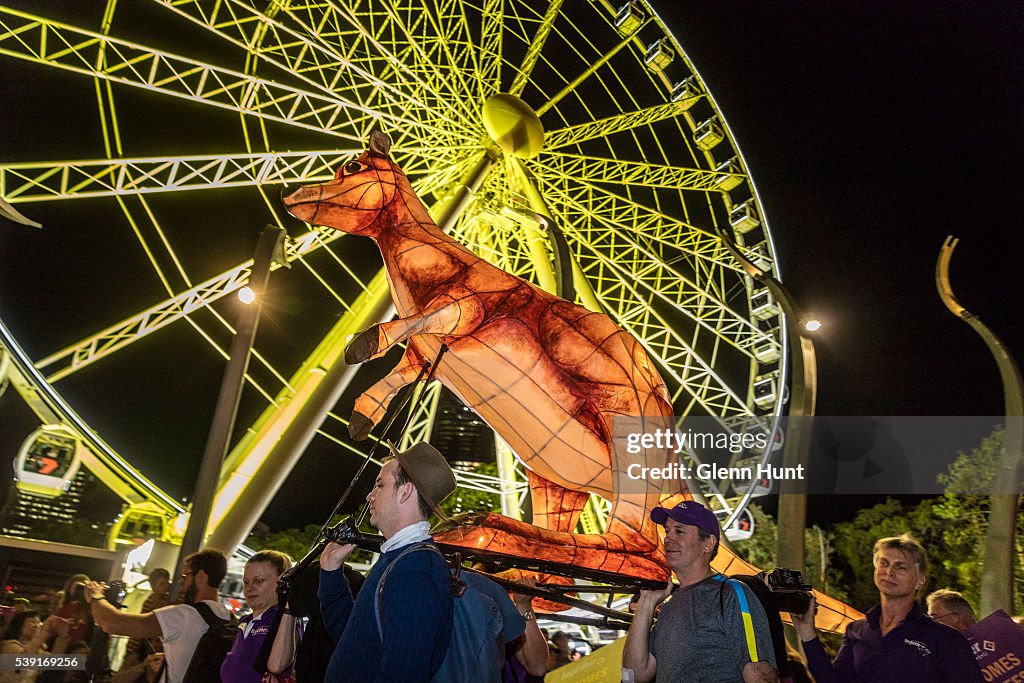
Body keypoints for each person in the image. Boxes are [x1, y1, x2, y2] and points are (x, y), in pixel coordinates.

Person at [319, 442, 456, 681]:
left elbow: (403, 674)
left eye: (380, 485)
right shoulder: (398, 558)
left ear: (405, 492)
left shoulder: (417, 570)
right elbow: (355, 642)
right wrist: (331, 573)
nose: (370, 495)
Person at [792, 534, 983, 682]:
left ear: (920, 581)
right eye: (884, 563)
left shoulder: (944, 639)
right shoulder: (856, 631)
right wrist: (807, 633)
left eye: (900, 567)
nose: (889, 572)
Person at [623, 500, 778, 683]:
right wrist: (646, 606)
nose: (668, 538)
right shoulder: (668, 607)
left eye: (679, 531)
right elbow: (633, 676)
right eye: (667, 531)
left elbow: (760, 674)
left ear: (708, 543)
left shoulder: (731, 593)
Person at [84, 549, 231, 683]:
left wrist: (95, 596)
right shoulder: (227, 618)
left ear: (200, 576)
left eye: (185, 576)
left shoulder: (185, 615)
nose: (181, 584)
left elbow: (111, 623)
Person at [221, 550, 293, 683]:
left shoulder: (284, 621)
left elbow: (277, 666)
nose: (249, 588)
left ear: (282, 582)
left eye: (258, 581)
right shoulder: (245, 622)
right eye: (246, 582)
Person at [1, 610, 68, 683]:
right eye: (32, 622)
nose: (36, 626)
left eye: (38, 622)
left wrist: (62, 635)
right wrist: (45, 631)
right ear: (19, 625)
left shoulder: (38, 651)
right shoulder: (9, 645)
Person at [123, 569, 172, 667]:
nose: (166, 587)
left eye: (167, 583)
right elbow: (142, 625)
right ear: (153, 586)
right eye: (162, 584)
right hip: (142, 648)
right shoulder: (151, 602)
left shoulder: (166, 602)